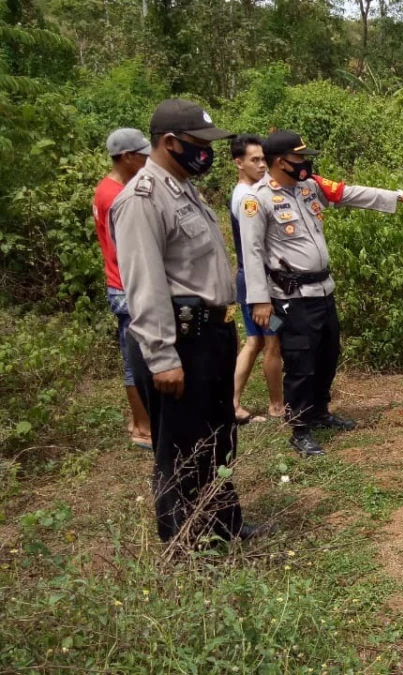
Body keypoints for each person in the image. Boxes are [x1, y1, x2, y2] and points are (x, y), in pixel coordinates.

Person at [111, 99, 268, 545]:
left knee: (216, 439)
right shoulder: (142, 200)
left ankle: (223, 525)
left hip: (209, 334)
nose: (207, 154)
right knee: (179, 449)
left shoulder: (183, 187)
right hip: (179, 341)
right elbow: (144, 285)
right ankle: (183, 545)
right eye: (199, 145)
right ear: (170, 143)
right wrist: (161, 357)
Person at [239, 130, 403, 458]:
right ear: (280, 161)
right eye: (299, 158)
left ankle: (319, 412)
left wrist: (398, 197)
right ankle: (300, 429)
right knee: (300, 363)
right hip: (292, 296)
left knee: (328, 354)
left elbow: (350, 193)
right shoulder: (257, 199)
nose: (305, 163)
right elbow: (251, 251)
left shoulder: (310, 186)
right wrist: (259, 300)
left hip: (323, 290)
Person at [92, 128, 153, 449]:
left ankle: (141, 420)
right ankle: (143, 428)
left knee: (137, 356)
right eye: (142, 154)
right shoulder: (114, 196)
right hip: (126, 287)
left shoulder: (109, 188)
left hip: (122, 284)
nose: (147, 159)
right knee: (137, 359)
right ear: (127, 157)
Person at [228, 134, 285, 424]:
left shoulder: (250, 191)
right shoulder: (246, 198)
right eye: (254, 160)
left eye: (263, 158)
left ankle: (233, 402)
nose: (262, 165)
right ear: (238, 163)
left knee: (255, 341)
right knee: (270, 341)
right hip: (255, 281)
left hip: (251, 280)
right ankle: (277, 405)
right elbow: (252, 247)